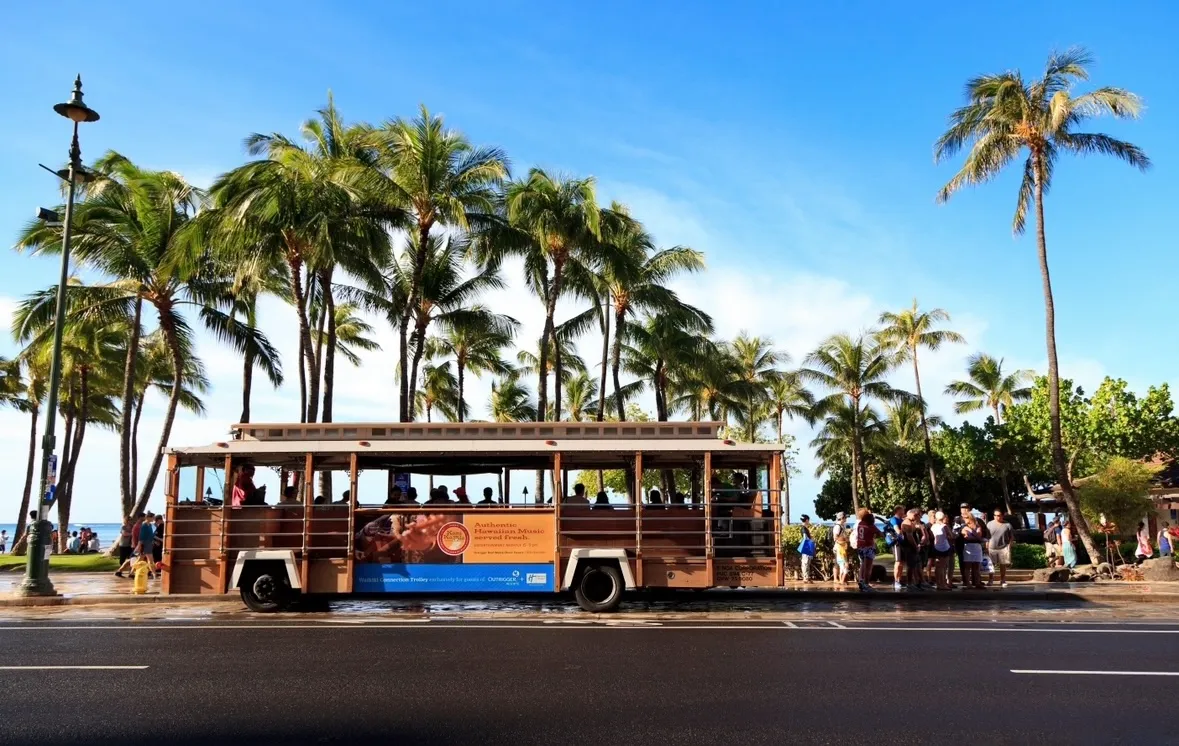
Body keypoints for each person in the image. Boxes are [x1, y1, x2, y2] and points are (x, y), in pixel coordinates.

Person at [854, 508, 882, 592]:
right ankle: (866, 584)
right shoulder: (871, 526)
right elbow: (880, 534)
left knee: (863, 565)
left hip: (860, 547)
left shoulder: (860, 524)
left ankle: (862, 581)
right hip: (868, 547)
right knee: (868, 567)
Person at [986, 509, 1014, 587]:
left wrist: (1009, 546)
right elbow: (987, 537)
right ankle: (990, 580)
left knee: (1003, 565)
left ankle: (1003, 580)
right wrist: (986, 547)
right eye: (995, 515)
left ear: (1002, 515)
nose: (997, 517)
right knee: (991, 565)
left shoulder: (1007, 525)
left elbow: (1011, 537)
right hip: (992, 547)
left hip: (1003, 547)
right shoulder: (989, 524)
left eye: (998, 515)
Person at [960, 515, 986, 589]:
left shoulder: (978, 526)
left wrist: (971, 531)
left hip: (977, 547)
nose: (964, 520)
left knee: (976, 566)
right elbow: (966, 536)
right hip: (968, 546)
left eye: (966, 518)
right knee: (968, 566)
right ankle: (968, 583)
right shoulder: (964, 527)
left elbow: (979, 537)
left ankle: (977, 582)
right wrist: (974, 535)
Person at [930, 511, 953, 590]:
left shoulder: (933, 526)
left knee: (937, 566)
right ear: (943, 518)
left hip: (936, 547)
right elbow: (951, 536)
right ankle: (943, 584)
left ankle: (938, 583)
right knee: (943, 567)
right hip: (944, 547)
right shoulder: (945, 526)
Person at [887, 505, 905, 590]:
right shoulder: (894, 519)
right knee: (898, 562)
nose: (904, 512)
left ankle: (899, 579)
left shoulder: (902, 520)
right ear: (898, 511)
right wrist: (903, 532)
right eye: (902, 510)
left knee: (901, 563)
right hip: (896, 543)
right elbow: (897, 530)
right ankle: (896, 581)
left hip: (902, 543)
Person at [832, 512, 849, 584]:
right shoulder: (837, 526)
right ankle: (838, 579)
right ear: (842, 518)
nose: (846, 519)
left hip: (840, 547)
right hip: (839, 548)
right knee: (840, 564)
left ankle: (840, 579)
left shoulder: (842, 526)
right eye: (845, 517)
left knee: (839, 563)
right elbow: (835, 538)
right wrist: (843, 542)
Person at [138, 514, 157, 579]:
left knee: (141, 558)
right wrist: (139, 545)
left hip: (149, 543)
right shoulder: (144, 525)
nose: (154, 519)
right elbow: (141, 536)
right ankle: (154, 574)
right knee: (150, 560)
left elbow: (151, 535)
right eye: (153, 517)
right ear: (148, 517)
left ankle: (131, 572)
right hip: (145, 544)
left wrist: (154, 541)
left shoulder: (150, 525)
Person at [798, 515, 814, 583]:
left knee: (806, 563)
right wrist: (811, 540)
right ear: (807, 520)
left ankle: (807, 577)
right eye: (808, 520)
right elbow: (805, 538)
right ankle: (805, 577)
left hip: (806, 546)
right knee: (805, 562)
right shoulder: (804, 528)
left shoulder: (804, 528)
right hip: (806, 546)